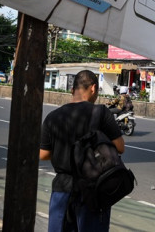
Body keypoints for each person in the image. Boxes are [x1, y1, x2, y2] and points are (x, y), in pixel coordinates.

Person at [39, 70, 124, 231]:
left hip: (62, 190)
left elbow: (43, 154)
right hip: (93, 191)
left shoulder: (52, 117)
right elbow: (120, 147)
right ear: (93, 88)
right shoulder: (101, 113)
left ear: (72, 90)